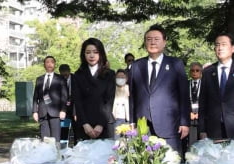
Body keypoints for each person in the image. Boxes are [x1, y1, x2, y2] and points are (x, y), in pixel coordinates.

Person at [128, 24, 190, 155]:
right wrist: (132, 122)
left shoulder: (175, 64)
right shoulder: (136, 66)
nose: (152, 42)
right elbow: (133, 96)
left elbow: (184, 95)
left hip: (169, 125)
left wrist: (184, 122)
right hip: (143, 126)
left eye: (156, 39)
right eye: (149, 39)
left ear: (164, 42)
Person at [198, 33, 234, 146]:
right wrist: (202, 130)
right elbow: (203, 103)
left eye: (224, 44)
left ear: (233, 48)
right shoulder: (208, 72)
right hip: (213, 128)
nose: (220, 48)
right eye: (217, 45)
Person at [71, 38, 116, 141]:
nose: (92, 56)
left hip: (104, 125)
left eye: (95, 52)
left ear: (101, 54)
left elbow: (109, 101)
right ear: (83, 54)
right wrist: (85, 124)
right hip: (84, 126)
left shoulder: (109, 74)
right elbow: (77, 102)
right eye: (88, 52)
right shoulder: (77, 75)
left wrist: (100, 125)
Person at [32, 56, 68, 141]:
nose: (49, 64)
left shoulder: (60, 78)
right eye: (47, 62)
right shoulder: (39, 79)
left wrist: (63, 110)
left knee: (55, 139)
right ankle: (46, 154)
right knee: (45, 140)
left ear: (54, 65)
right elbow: (35, 96)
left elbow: (64, 96)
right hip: (42, 113)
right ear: (44, 65)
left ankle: (56, 154)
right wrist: (34, 111)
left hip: (55, 113)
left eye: (52, 62)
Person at [187, 61, 203, 148]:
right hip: (189, 112)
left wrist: (199, 113)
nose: (195, 72)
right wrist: (189, 112)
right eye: (192, 70)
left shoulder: (205, 84)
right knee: (190, 140)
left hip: (201, 113)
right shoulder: (186, 84)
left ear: (201, 72)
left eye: (197, 70)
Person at [59, 63, 74, 144]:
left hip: (74, 107)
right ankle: (63, 145)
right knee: (63, 128)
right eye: (62, 74)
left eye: (66, 74)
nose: (65, 76)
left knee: (76, 129)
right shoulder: (58, 79)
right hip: (63, 108)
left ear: (69, 71)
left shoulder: (76, 78)